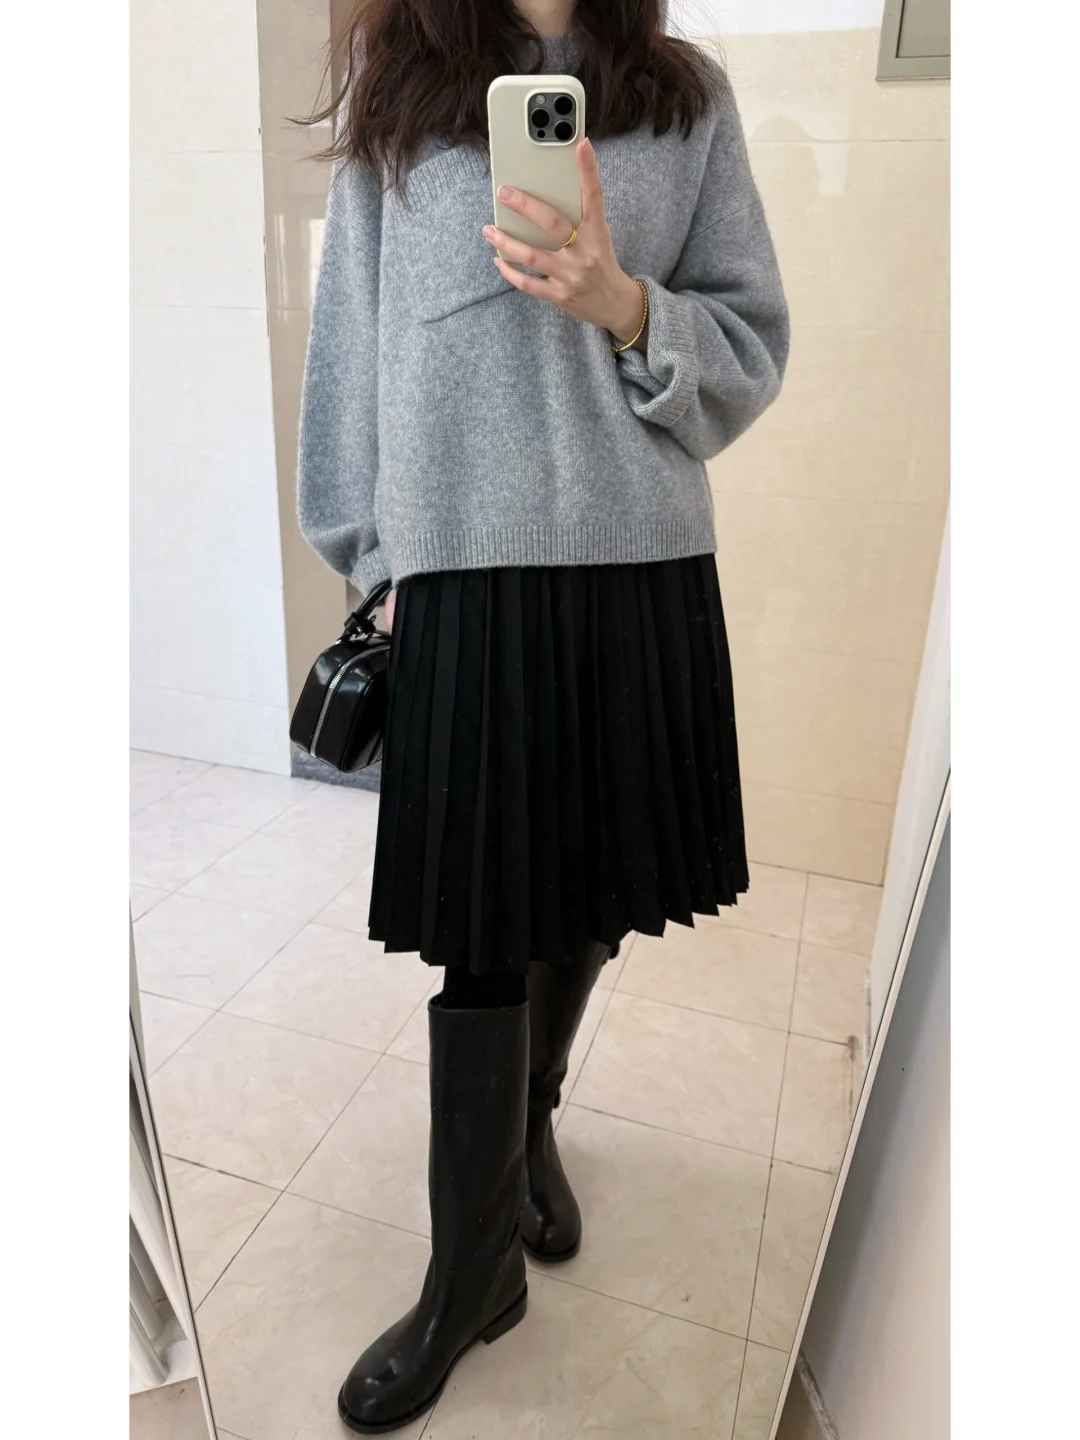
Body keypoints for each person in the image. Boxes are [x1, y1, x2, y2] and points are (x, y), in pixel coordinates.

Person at [297, 0, 788, 1430]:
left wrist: (624, 303)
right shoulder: (404, 83)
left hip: (637, 556)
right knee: (481, 918)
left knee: (595, 882)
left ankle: (527, 1125)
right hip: (461, 560)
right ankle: (471, 1275)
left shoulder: (683, 96)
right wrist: (373, 559)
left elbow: (752, 337)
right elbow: (354, 342)